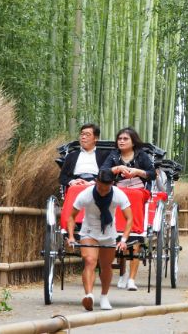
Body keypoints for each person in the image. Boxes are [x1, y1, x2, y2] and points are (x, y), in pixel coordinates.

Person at [67, 169, 133, 311]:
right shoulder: (86, 194)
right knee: (90, 261)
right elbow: (72, 216)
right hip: (89, 232)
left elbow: (129, 219)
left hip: (109, 233)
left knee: (106, 266)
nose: (102, 191)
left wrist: (124, 239)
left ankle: (104, 296)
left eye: (106, 188)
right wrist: (71, 236)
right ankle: (89, 295)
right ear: (96, 182)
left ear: (112, 184)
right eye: (100, 187)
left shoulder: (118, 195)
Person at [101, 127, 155, 291]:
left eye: (125, 139)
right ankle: (124, 274)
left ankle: (131, 279)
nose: (122, 141)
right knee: (113, 196)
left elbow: (152, 174)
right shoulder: (114, 155)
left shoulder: (141, 155)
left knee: (135, 197)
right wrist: (116, 169)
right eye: (120, 139)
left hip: (138, 191)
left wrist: (138, 172)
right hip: (119, 190)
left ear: (133, 142)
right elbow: (103, 171)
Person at [58, 123, 110, 191]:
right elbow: (62, 177)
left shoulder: (104, 155)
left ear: (96, 138)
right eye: (82, 134)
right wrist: (72, 182)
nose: (83, 137)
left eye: (87, 135)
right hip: (76, 185)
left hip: (97, 185)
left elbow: (109, 174)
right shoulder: (71, 156)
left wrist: (93, 183)